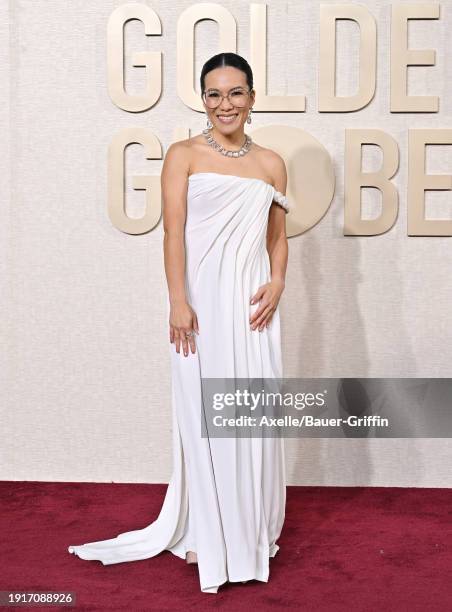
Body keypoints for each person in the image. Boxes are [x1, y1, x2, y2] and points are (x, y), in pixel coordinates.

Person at [68, 52, 290, 594]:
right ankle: (207, 528)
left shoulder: (272, 164)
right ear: (203, 100)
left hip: (252, 308)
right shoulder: (183, 155)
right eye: (214, 94)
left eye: (235, 93)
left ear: (253, 98)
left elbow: (278, 238)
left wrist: (279, 281)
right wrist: (178, 301)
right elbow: (173, 234)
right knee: (204, 415)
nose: (225, 104)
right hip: (201, 307)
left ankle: (247, 533)